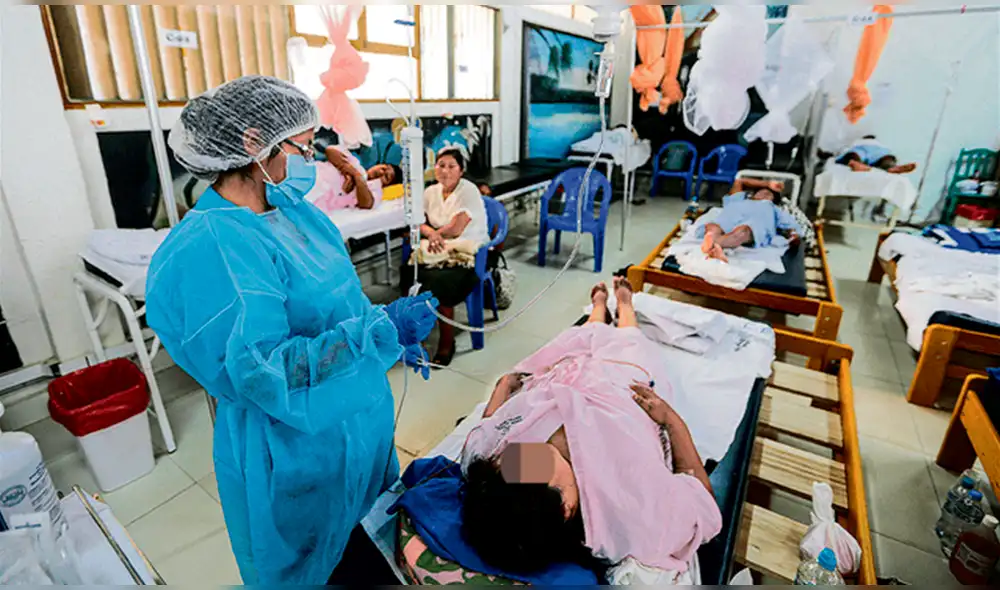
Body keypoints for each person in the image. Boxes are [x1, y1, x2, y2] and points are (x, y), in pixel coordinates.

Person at [145, 75, 439, 585]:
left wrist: (384, 336)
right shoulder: (214, 247)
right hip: (294, 448)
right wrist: (376, 336)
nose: (309, 157)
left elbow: (337, 302)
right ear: (254, 143)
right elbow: (263, 371)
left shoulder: (294, 212)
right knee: (314, 570)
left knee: (371, 546)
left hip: (357, 420)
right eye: (301, 146)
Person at [460, 278, 721, 579]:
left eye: (506, 463)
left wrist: (502, 388)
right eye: (532, 466)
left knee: (576, 339)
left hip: (560, 373)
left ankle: (597, 310)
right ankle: (625, 306)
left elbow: (484, 431)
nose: (519, 453)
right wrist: (672, 421)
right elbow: (703, 502)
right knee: (631, 343)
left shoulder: (488, 469)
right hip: (622, 381)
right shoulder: (634, 512)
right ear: (567, 507)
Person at [400, 148, 489, 366]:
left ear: (461, 170)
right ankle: (414, 336)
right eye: (441, 165)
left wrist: (435, 235)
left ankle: (447, 341)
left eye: (451, 166)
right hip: (439, 247)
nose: (445, 171)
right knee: (408, 272)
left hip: (467, 252)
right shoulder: (431, 192)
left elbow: (458, 227)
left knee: (441, 282)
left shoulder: (468, 190)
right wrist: (431, 234)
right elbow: (417, 220)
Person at [698, 177, 802, 262]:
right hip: (727, 221)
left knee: (742, 232)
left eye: (768, 194)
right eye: (761, 192)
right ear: (753, 194)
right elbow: (739, 181)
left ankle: (713, 246)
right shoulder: (739, 199)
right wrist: (767, 184)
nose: (764, 194)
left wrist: (794, 236)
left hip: (750, 226)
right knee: (712, 227)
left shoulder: (774, 209)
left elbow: (791, 227)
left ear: (774, 200)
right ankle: (715, 246)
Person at [835, 135, 917, 174]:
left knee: (854, 155)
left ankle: (856, 163)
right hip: (877, 153)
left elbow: (843, 151)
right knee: (887, 158)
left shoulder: (857, 142)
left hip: (861, 151)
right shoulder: (879, 145)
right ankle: (891, 167)